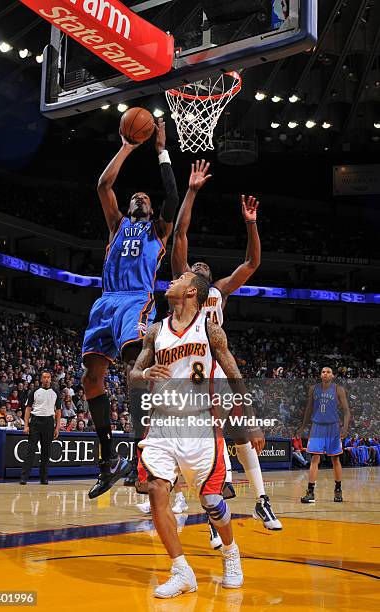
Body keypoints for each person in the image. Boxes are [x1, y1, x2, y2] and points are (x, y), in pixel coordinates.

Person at [130, 271, 265, 598]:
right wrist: (145, 372)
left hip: (200, 424)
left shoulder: (210, 330)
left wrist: (251, 420)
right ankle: (181, 570)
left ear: (191, 291)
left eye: (179, 278)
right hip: (162, 423)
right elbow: (133, 375)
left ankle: (230, 553)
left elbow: (234, 376)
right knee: (156, 490)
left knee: (212, 502)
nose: (172, 280)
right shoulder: (155, 330)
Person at [169, 160, 281, 531]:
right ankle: (199, 490)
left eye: (203, 266)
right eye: (192, 266)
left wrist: (251, 223)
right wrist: (192, 191)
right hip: (187, 371)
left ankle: (261, 499)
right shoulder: (186, 290)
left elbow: (252, 262)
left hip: (216, 366)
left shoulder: (218, 291)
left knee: (243, 431)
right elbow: (181, 234)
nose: (197, 265)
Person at [82, 118, 180, 499]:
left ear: (152, 208)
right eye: (135, 196)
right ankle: (108, 462)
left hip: (135, 300)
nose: (139, 196)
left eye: (145, 197)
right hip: (105, 302)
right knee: (92, 378)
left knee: (133, 369)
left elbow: (172, 197)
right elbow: (103, 185)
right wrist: (125, 146)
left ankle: (145, 458)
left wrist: (160, 151)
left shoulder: (158, 230)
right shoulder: (116, 225)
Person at [297, 367, 350, 503]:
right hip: (317, 427)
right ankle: (310, 492)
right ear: (320, 375)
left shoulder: (338, 389)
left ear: (333, 375)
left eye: (328, 372)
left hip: (333, 426)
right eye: (323, 372)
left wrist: (344, 427)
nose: (325, 373)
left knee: (335, 459)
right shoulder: (313, 389)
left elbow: (346, 411)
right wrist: (303, 426)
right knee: (315, 458)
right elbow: (309, 408)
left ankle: (338, 490)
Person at [20, 371, 61, 485]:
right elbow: (28, 408)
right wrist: (26, 425)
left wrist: (57, 428)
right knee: (30, 450)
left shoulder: (56, 392)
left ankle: (43, 478)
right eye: (44, 377)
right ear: (41, 379)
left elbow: (58, 411)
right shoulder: (34, 391)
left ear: (51, 379)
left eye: (48, 377)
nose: (47, 379)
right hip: (35, 422)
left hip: (48, 422)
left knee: (46, 452)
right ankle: (24, 477)